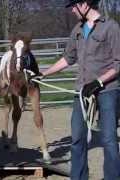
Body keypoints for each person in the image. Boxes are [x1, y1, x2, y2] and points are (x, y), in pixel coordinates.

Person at [37, 0, 120, 179]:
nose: (72, 10)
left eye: (74, 6)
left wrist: (99, 82)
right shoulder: (77, 30)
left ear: (85, 4)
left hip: (107, 91)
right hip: (82, 92)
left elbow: (118, 63)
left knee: (109, 140)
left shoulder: (111, 27)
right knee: (77, 139)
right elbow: (68, 58)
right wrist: (44, 73)